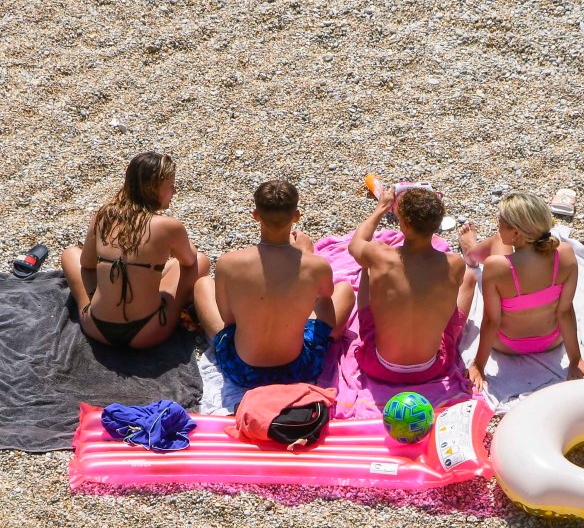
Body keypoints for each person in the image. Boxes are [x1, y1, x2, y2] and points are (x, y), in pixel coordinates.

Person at [193, 180, 354, 389]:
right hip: (297, 369)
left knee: (203, 284)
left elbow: (228, 319)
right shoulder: (316, 265)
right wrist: (305, 255)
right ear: (296, 216)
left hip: (243, 371)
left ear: (255, 215)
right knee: (344, 291)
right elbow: (325, 301)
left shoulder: (229, 262)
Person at [63, 152, 209, 349]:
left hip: (96, 328)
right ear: (153, 189)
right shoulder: (168, 226)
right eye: (170, 186)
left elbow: (87, 265)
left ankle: (92, 301)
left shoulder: (104, 214)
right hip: (148, 333)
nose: (174, 191)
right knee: (200, 261)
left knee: (70, 253)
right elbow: (190, 261)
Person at [458, 192, 584, 390]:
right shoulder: (564, 254)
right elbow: (564, 311)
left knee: (497, 241)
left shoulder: (496, 267)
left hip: (508, 345)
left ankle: (470, 252)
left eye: (501, 221)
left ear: (516, 233)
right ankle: (470, 249)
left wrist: (479, 365)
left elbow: (491, 321)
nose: (498, 225)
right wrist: (575, 359)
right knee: (499, 243)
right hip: (552, 340)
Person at [348, 186, 470, 385]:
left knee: (367, 268)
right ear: (437, 224)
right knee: (470, 279)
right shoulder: (454, 263)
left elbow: (356, 243)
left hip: (378, 366)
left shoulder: (378, 255)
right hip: (431, 369)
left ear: (403, 224)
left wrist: (381, 208)